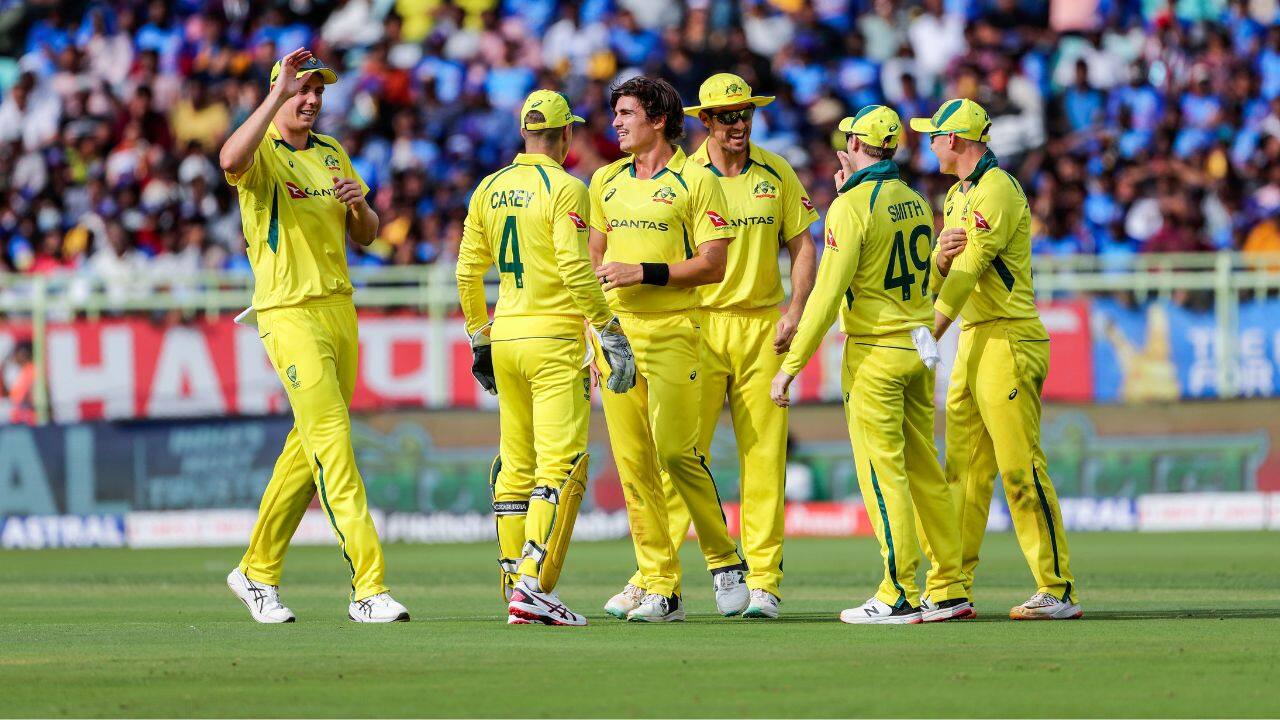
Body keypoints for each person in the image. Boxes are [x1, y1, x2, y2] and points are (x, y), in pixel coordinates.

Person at [219, 48, 409, 624]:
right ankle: (369, 589)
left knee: (307, 448)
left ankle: (255, 571)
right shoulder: (262, 153)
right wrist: (274, 94)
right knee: (332, 441)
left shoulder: (331, 153)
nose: (311, 99)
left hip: (339, 309)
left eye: (317, 92)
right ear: (279, 93)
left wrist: (360, 209)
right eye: (301, 90)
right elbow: (228, 157)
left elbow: (370, 236)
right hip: (288, 311)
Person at [771, 105, 971, 624]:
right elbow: (923, 276)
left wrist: (790, 366)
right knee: (924, 469)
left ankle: (899, 592)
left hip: (874, 355)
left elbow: (825, 293)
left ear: (855, 146)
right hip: (916, 347)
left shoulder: (851, 206)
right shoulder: (914, 198)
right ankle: (949, 587)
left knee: (884, 477)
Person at [456, 89, 637, 626]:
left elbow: (467, 272)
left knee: (516, 467)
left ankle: (515, 586)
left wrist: (479, 337)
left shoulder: (488, 188)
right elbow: (574, 268)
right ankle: (533, 587)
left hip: (506, 336)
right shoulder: (566, 187)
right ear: (563, 137)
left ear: (523, 132)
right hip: (555, 340)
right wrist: (608, 329)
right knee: (559, 466)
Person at [912, 98, 1081, 620]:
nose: (930, 144)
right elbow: (950, 273)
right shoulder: (959, 194)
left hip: (1009, 339)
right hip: (975, 339)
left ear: (956, 140)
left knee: (1019, 467)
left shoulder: (997, 190)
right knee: (961, 471)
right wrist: (939, 259)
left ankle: (1057, 588)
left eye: (934, 136)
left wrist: (929, 332)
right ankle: (951, 587)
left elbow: (973, 269)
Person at [657, 73, 818, 619]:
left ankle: (765, 583)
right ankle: (660, 580)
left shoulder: (776, 170)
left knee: (765, 459)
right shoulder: (680, 176)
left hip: (760, 328)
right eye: (727, 116)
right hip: (696, 325)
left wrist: (795, 312)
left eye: (745, 114)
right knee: (682, 455)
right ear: (704, 121)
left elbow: (803, 247)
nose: (739, 124)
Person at [589, 75, 749, 622]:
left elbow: (713, 263)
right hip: (618, 336)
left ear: (658, 119)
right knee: (633, 466)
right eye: (615, 113)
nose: (616, 122)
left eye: (627, 113)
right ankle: (661, 586)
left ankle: (725, 559)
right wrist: (596, 335)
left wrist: (644, 272)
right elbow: (593, 262)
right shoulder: (604, 181)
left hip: (677, 330)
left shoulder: (696, 180)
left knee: (678, 454)